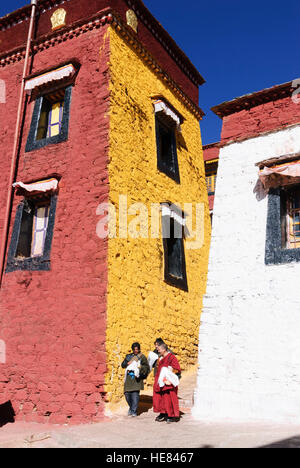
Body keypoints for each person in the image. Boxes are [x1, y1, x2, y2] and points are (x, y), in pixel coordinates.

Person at [153, 342, 181, 423]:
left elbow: (177, 369)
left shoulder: (171, 357)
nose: (158, 351)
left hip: (168, 381)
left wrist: (170, 370)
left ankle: (170, 415)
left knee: (168, 398)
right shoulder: (160, 358)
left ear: (164, 349)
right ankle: (163, 413)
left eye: (159, 350)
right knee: (160, 398)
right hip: (160, 381)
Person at [121, 342, 150, 417]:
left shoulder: (142, 357)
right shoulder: (128, 356)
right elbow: (123, 365)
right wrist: (127, 363)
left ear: (139, 349)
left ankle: (134, 411)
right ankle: (131, 407)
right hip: (128, 378)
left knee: (135, 394)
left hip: (136, 377)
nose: (136, 351)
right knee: (127, 394)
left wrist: (139, 368)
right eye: (134, 349)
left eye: (137, 349)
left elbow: (146, 367)